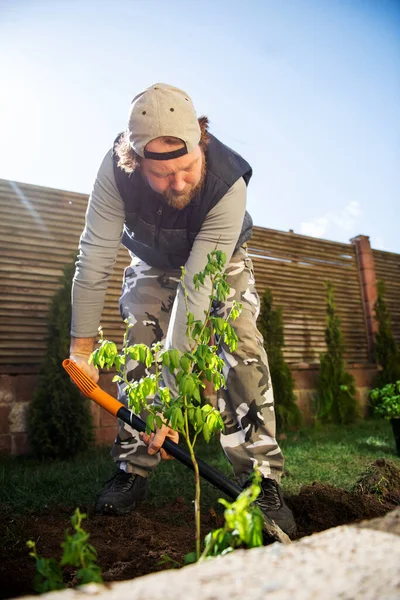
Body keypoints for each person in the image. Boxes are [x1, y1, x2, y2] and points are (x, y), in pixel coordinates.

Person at [70, 83, 297, 538]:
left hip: (217, 262)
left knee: (242, 344)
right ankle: (133, 466)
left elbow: (198, 288)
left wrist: (170, 399)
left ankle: (259, 478)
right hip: (152, 260)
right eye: (162, 175)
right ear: (135, 162)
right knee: (140, 338)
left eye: (188, 168)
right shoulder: (115, 172)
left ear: (202, 142)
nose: (179, 183)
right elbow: (94, 257)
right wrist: (81, 348)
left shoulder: (227, 182)